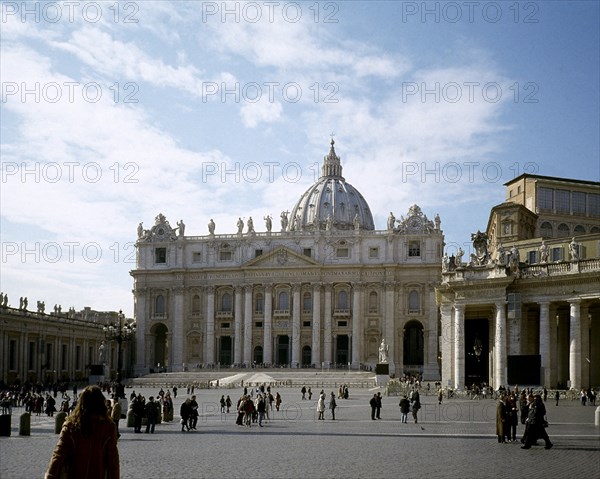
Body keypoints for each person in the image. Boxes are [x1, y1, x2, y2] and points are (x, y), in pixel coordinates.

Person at [45, 385, 119, 479]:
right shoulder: (108, 427)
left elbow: (58, 455)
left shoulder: (71, 426)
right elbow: (113, 461)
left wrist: (51, 476)